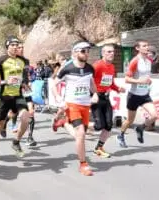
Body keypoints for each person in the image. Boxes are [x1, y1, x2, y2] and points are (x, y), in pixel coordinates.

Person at [53, 41, 98, 176]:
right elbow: (54, 85)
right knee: (81, 133)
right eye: (83, 51)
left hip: (85, 105)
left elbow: (91, 83)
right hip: (72, 104)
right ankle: (83, 164)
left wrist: (95, 94)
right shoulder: (67, 68)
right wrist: (60, 100)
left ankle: (63, 122)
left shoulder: (90, 68)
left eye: (88, 51)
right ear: (75, 52)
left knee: (80, 135)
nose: (86, 54)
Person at [0, 36, 31, 160]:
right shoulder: (0, 60)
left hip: (18, 95)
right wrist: (5, 81)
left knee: (26, 118)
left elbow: (24, 76)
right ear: (7, 46)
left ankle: (16, 142)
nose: (15, 47)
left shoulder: (23, 61)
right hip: (5, 96)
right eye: (12, 45)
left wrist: (24, 83)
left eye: (17, 45)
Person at [117, 39, 158, 148]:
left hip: (145, 95)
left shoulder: (149, 60)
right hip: (134, 95)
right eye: (144, 46)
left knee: (154, 116)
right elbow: (127, 79)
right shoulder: (135, 61)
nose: (147, 47)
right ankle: (120, 135)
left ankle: (141, 128)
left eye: (147, 45)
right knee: (130, 120)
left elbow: (146, 77)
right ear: (137, 48)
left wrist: (148, 81)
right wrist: (141, 81)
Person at [91, 44, 125, 158]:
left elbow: (110, 83)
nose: (112, 54)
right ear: (103, 53)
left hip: (106, 98)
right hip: (96, 98)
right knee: (99, 126)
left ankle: (99, 148)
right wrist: (93, 94)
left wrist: (118, 89)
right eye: (109, 52)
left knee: (109, 125)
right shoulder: (97, 65)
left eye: (113, 52)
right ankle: (76, 125)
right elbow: (88, 80)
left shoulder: (111, 67)